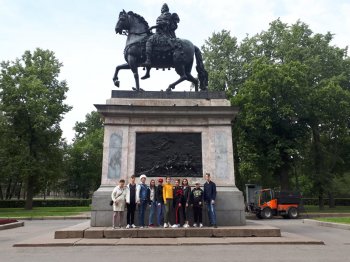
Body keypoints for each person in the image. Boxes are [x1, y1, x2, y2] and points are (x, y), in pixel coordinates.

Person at [144, 3, 179, 68]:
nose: (161, 9)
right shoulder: (164, 15)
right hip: (159, 33)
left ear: (165, 9)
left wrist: (152, 27)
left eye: (162, 8)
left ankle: (148, 60)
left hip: (163, 34)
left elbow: (163, 24)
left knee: (149, 41)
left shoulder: (167, 15)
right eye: (161, 8)